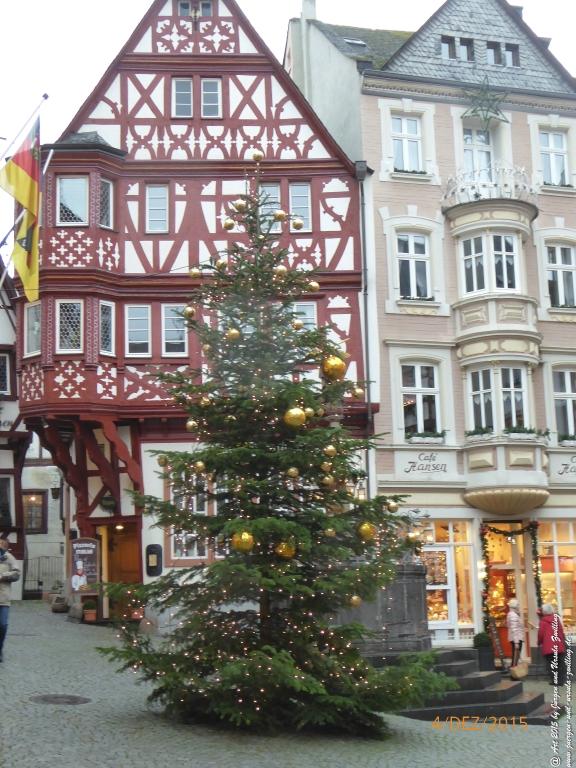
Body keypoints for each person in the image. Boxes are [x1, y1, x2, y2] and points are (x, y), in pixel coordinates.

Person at [0, 537, 21, 662]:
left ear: (6, 546)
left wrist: (2, 576)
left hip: (3, 598)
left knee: (2, 625)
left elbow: (16, 574)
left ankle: (0, 648)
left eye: (2, 544)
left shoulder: (9, 558)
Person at [538, 603, 567, 686]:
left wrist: (539, 642)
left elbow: (541, 634)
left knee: (551, 664)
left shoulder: (543, 621)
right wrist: (563, 641)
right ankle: (561, 680)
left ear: (544, 612)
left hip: (549, 646)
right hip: (558, 644)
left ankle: (555, 680)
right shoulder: (556, 619)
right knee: (560, 663)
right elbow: (561, 631)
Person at [506, 598, 525, 669]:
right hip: (516, 638)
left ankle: (514, 674)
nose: (519, 606)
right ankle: (514, 675)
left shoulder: (511, 614)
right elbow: (514, 629)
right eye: (518, 604)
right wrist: (516, 642)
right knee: (515, 658)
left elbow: (509, 626)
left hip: (515, 638)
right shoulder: (513, 615)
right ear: (515, 606)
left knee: (515, 657)